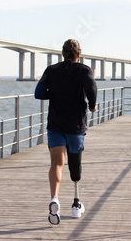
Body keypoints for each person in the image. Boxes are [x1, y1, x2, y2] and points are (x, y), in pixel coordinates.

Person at [34, 39, 97, 225]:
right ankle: (76, 205)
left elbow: (38, 93)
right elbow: (92, 88)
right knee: (75, 166)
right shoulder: (84, 70)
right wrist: (92, 105)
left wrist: (53, 93)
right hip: (76, 126)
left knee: (56, 163)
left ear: (63, 54)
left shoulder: (51, 70)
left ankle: (54, 198)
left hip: (55, 125)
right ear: (79, 54)